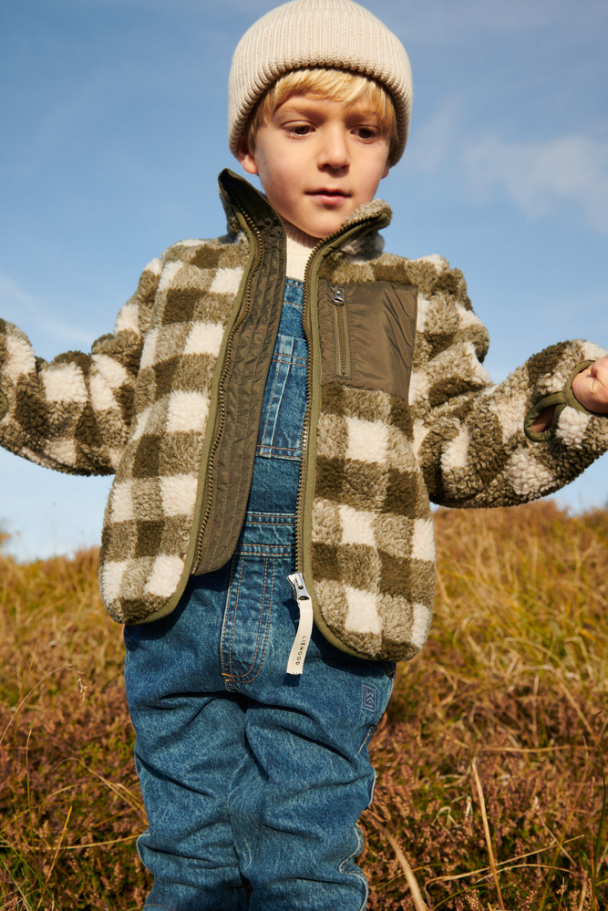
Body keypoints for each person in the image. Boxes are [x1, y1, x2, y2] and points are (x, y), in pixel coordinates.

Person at [1, 0, 607, 908]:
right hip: (176, 610)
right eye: (302, 125)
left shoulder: (416, 291)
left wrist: (566, 399)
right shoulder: (179, 276)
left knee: (304, 866)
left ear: (389, 152)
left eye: (365, 131)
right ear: (251, 144)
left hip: (335, 624)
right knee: (189, 862)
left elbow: (452, 446)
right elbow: (101, 404)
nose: (335, 153)